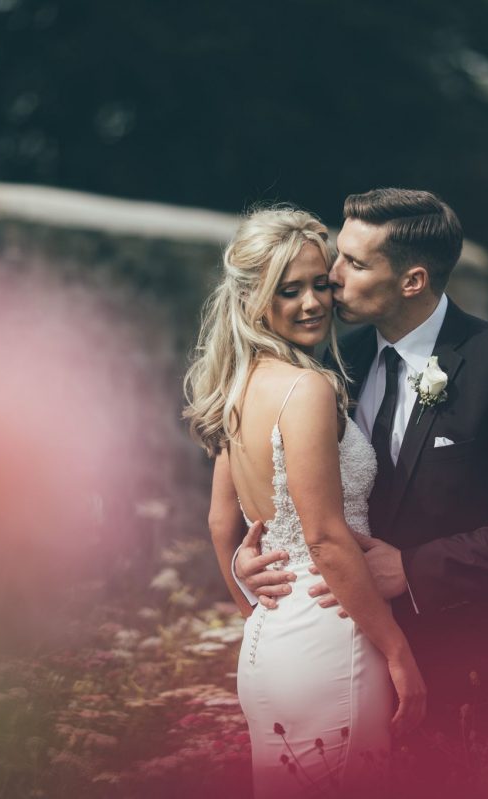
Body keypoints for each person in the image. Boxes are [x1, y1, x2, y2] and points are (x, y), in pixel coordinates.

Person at [233, 188, 488, 787]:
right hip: (361, 661)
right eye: (337, 256)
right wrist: (253, 557)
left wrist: (414, 570)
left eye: (354, 265)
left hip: (479, 669)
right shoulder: (338, 363)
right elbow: (302, 490)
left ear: (413, 280)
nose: (331, 278)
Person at [184, 206, 426, 799]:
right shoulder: (308, 387)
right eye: (288, 291)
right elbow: (323, 534)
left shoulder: (239, 385)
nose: (313, 303)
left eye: (321, 284)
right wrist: (398, 652)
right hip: (331, 640)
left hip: (270, 644)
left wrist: (251, 605)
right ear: (253, 299)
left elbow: (222, 523)